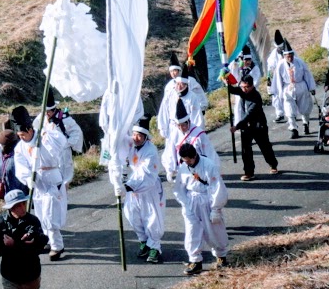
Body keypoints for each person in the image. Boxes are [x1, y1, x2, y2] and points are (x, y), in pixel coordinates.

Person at [11, 104, 72, 259]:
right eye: (19, 135)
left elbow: (60, 146)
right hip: (37, 183)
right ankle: (46, 240)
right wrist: (28, 178)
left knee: (50, 216)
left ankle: (57, 247)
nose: (21, 138)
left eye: (23, 134)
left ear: (30, 130)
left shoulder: (44, 135)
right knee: (40, 216)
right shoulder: (20, 147)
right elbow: (21, 166)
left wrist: (44, 143)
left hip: (52, 179)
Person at [174, 142, 229, 276]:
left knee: (214, 230)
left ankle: (221, 256)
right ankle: (195, 260)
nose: (187, 162)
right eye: (184, 160)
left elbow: (217, 187)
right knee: (192, 231)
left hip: (208, 200)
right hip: (191, 202)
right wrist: (185, 204)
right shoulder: (183, 167)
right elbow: (179, 189)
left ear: (194, 156)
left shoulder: (208, 165)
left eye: (189, 160)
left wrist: (216, 208)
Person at [119, 119, 165, 263]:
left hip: (148, 188)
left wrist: (127, 186)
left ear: (146, 136)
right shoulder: (131, 145)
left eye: (139, 135)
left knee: (151, 218)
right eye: (134, 134)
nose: (136, 138)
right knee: (132, 215)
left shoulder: (150, 151)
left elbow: (144, 173)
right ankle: (143, 241)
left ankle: (155, 247)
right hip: (133, 187)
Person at [225, 73, 279, 180]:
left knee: (265, 147)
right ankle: (249, 172)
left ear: (252, 86)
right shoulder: (242, 91)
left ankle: (273, 164)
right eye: (242, 87)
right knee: (246, 150)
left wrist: (237, 126)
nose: (244, 89)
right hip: (246, 128)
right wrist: (227, 83)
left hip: (258, 126)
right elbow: (232, 90)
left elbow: (248, 115)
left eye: (246, 87)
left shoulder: (256, 97)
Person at [270, 47, 316, 138]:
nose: (290, 58)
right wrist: (277, 92)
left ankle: (305, 123)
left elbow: (307, 74)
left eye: (291, 56)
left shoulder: (299, 62)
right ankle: (293, 128)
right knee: (289, 109)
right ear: (284, 56)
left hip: (300, 86)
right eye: (288, 56)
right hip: (288, 88)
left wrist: (311, 87)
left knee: (305, 108)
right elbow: (278, 79)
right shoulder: (280, 65)